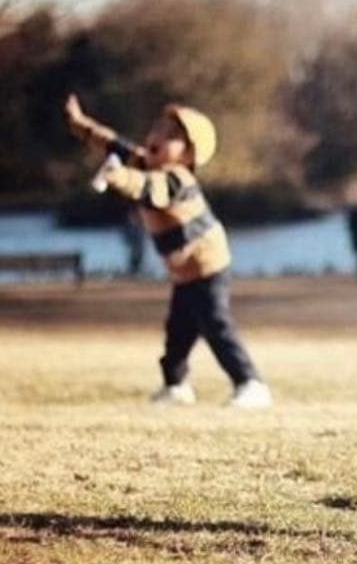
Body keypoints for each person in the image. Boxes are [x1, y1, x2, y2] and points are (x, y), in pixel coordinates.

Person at [64, 95, 273, 410]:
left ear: (189, 154)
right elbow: (112, 144)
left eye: (172, 135)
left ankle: (250, 383)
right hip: (184, 272)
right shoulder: (146, 163)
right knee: (178, 332)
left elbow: (149, 190)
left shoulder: (177, 180)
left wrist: (118, 176)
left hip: (207, 266)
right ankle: (175, 386)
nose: (158, 136)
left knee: (216, 325)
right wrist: (81, 124)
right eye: (158, 128)